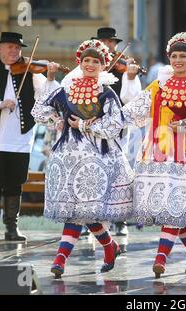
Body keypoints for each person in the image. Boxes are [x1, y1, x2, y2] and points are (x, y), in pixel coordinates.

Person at [122, 32, 186, 278]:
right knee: (172, 205)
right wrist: (98, 116)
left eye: (183, 56)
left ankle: (161, 256)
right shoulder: (157, 87)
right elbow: (131, 111)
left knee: (177, 204)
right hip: (160, 151)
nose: (178, 60)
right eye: (174, 56)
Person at [31, 39, 134, 278]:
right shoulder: (67, 89)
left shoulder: (106, 93)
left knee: (83, 210)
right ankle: (109, 247)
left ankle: (61, 259)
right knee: (79, 211)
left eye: (95, 61)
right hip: (68, 156)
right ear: (80, 62)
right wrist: (55, 120)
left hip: (97, 157)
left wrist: (86, 124)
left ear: (102, 65)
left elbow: (113, 126)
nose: (90, 64)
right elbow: (39, 111)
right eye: (86, 60)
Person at [0, 32, 60, 242]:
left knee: (15, 184)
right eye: (9, 47)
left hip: (20, 140)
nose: (14, 51)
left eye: (17, 48)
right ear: (0, 49)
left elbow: (47, 98)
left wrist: (51, 76)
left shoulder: (30, 72)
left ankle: (12, 228)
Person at [62, 27, 142, 236]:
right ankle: (91, 220)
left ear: (115, 45)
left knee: (114, 176)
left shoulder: (124, 68)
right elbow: (65, 95)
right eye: (103, 41)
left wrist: (132, 78)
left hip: (112, 131)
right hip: (83, 135)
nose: (107, 45)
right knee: (90, 176)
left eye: (111, 42)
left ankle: (119, 221)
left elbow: (131, 100)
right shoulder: (81, 70)